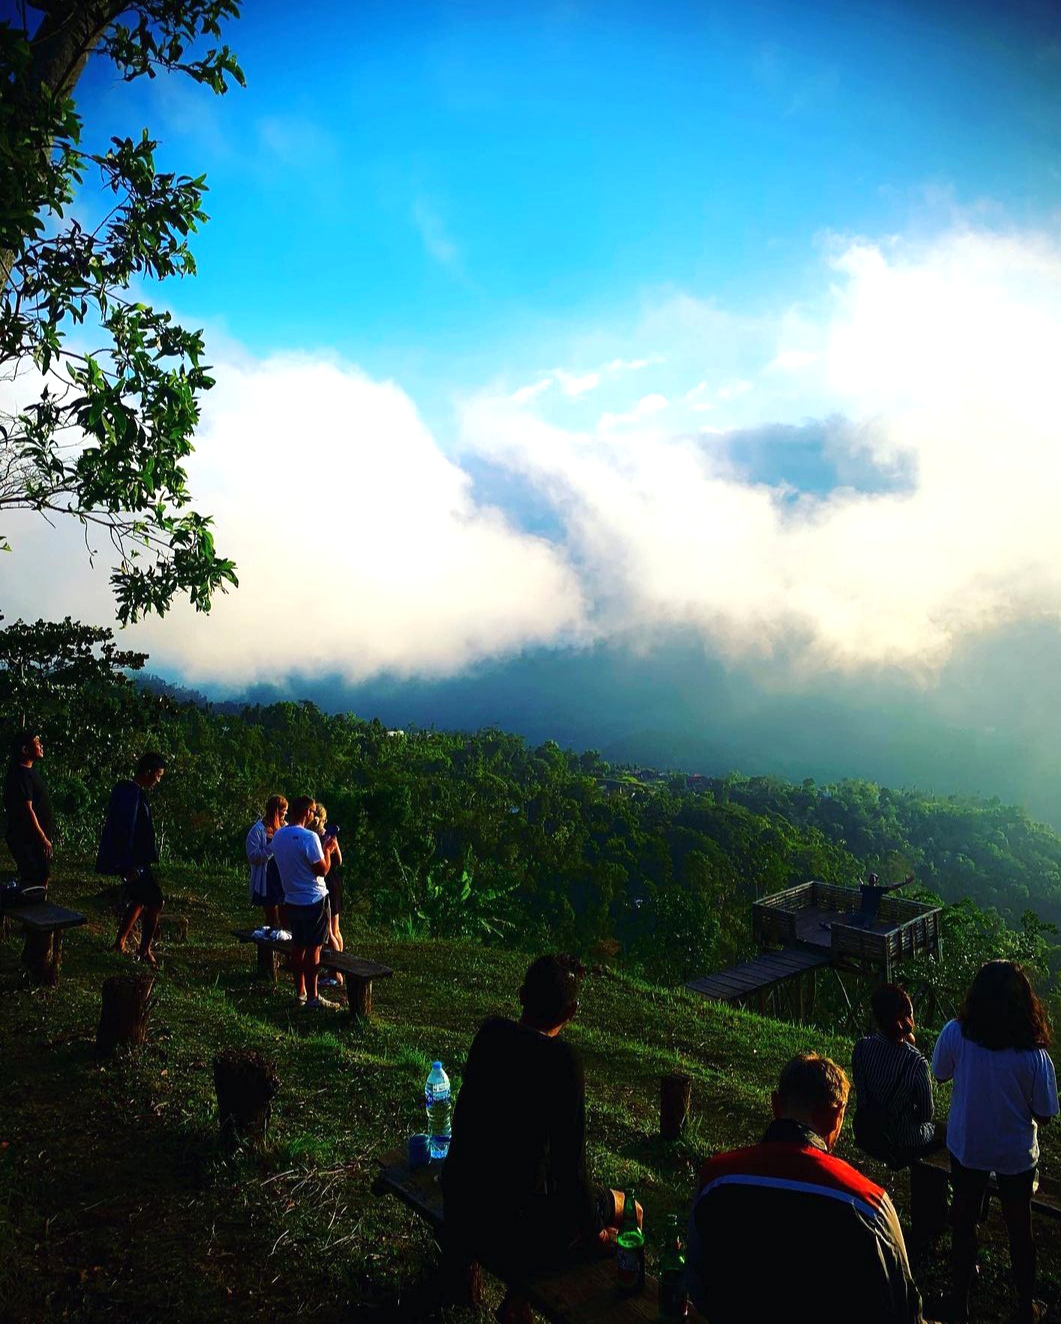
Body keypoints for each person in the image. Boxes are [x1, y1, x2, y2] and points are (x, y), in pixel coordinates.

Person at [442, 954, 638, 1324]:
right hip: (518, 1230)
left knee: (527, 1193)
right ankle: (618, 1308)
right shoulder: (563, 1061)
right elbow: (571, 1172)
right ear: (572, 1012)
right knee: (630, 1208)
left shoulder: (490, 1035)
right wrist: (595, 1235)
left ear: (520, 995)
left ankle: (518, 1304)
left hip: (464, 1201)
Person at [687, 1053, 927, 1324]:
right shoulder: (868, 1204)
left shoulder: (717, 1178)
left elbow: (695, 1283)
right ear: (836, 1116)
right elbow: (904, 1310)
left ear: (776, 1104)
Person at [932, 961, 1059, 1324]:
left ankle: (959, 1301)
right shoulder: (1034, 1056)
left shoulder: (957, 1034)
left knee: (965, 1219)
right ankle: (1024, 1307)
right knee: (1021, 1230)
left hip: (968, 1144)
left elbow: (939, 1073)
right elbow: (1046, 1114)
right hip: (1014, 1152)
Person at [852, 983, 943, 1169]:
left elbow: (862, 1096)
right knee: (944, 1132)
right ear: (904, 1018)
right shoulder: (916, 1062)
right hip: (903, 1140)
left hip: (868, 1132)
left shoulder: (860, 1048)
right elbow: (926, 1114)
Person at [97, 751, 167, 968]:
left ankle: (120, 941)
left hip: (135, 860)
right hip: (133, 861)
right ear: (148, 772)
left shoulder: (127, 791)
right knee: (155, 900)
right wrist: (130, 865)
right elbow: (126, 830)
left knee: (139, 899)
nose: (158, 780)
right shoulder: (132, 795)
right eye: (158, 775)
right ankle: (144, 949)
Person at [268, 796, 339, 1009]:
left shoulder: (279, 835)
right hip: (314, 899)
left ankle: (300, 991)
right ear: (308, 812)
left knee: (298, 947)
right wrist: (328, 849)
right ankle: (313, 997)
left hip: (291, 898)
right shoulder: (309, 837)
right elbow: (322, 870)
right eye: (313, 812)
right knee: (314, 950)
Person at [3, 730, 53, 888]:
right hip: (28, 839)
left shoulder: (29, 773)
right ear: (25, 749)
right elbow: (27, 809)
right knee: (34, 881)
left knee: (40, 878)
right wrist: (42, 837)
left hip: (34, 839)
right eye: (37, 742)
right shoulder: (20, 775)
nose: (41, 745)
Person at [311, 803, 344, 988]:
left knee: (330, 931)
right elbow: (340, 859)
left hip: (327, 882)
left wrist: (326, 850)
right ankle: (338, 970)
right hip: (335, 881)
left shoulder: (317, 837)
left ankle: (336, 973)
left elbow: (334, 860)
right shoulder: (329, 835)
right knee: (336, 930)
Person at [246, 794, 287, 927]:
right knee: (272, 918)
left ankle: (284, 946)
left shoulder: (285, 828)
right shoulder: (257, 831)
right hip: (268, 879)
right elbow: (253, 857)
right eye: (283, 811)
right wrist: (272, 846)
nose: (285, 815)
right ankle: (267, 946)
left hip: (283, 878)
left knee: (286, 918)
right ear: (276, 811)